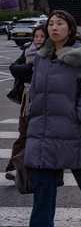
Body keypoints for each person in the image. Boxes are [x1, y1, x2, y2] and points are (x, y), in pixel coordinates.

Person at [19, 10, 81, 227]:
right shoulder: (42, 56)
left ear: (70, 28)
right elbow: (36, 88)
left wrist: (78, 115)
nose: (54, 28)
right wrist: (30, 113)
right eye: (50, 24)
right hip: (42, 125)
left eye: (60, 24)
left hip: (71, 124)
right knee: (43, 176)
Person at [5, 26, 47, 181]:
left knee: (45, 134)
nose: (38, 39)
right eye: (36, 36)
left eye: (42, 37)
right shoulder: (28, 52)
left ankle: (45, 166)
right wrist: (31, 67)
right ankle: (13, 168)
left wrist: (27, 69)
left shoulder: (53, 54)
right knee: (24, 133)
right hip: (27, 98)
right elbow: (14, 68)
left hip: (46, 99)